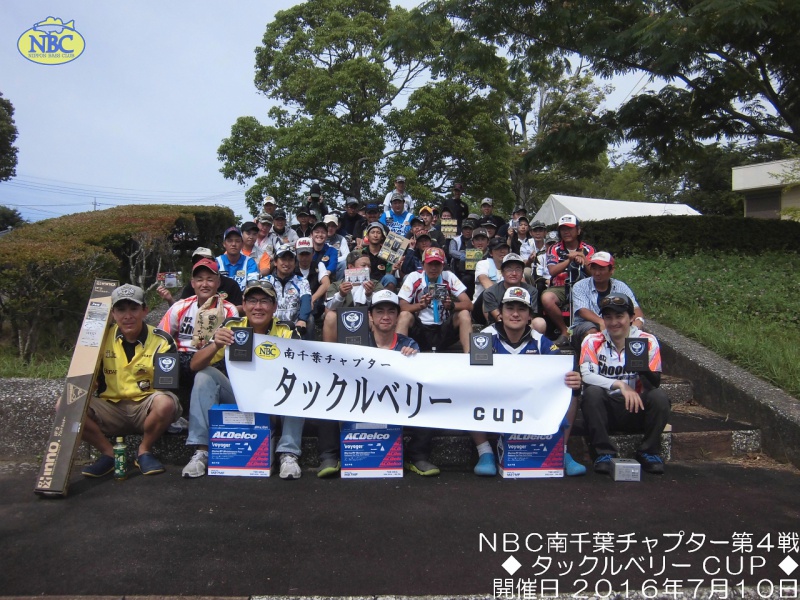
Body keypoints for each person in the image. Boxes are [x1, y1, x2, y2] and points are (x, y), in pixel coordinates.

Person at [182, 280, 305, 479]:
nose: (258, 307)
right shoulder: (231, 326)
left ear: (274, 306)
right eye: (252, 301)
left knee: (298, 384)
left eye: (264, 301)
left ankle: (288, 453)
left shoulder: (287, 330)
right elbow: (194, 365)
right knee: (204, 376)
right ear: (244, 304)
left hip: (274, 400)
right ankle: (202, 450)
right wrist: (216, 345)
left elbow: (304, 369)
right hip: (239, 396)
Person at [316, 290, 440, 478]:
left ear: (398, 316)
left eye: (391, 312)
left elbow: (417, 382)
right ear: (370, 316)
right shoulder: (355, 341)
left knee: (429, 399)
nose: (385, 316)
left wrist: (412, 359)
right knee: (324, 392)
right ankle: (329, 455)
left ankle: (416, 456)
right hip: (360, 402)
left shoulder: (409, 344)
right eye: (379, 311)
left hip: (394, 405)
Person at [470, 286, 585, 477]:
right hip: (496, 403)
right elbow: (470, 373)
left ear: (530, 315)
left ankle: (560, 452)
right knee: (468, 388)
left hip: (530, 402)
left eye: (522, 309)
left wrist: (573, 379)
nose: (515, 314)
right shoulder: (485, 338)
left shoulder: (541, 341)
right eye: (510, 308)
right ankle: (485, 453)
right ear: (501, 312)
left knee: (571, 390)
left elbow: (561, 368)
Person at [80, 284, 181, 478]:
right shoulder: (98, 339)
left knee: (166, 402)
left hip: (145, 407)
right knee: (66, 405)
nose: (128, 316)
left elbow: (166, 385)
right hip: (109, 407)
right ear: (112, 313)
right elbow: (84, 376)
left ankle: (144, 451)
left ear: (145, 310)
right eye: (121, 309)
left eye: (134, 309)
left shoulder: (162, 339)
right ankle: (110, 453)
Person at [579, 293, 670, 475]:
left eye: (619, 316)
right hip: (606, 409)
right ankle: (603, 453)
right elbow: (587, 375)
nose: (614, 323)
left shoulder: (647, 341)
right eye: (608, 317)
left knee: (660, 397)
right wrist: (620, 384)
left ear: (631, 318)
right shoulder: (592, 340)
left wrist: (642, 368)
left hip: (637, 407)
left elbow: (655, 383)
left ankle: (649, 451)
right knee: (592, 393)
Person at [157, 258, 238, 390]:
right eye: (200, 279)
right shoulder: (179, 307)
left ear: (218, 283)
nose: (204, 284)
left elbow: (228, 347)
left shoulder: (229, 310)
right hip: (182, 358)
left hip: (212, 359)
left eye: (210, 280)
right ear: (193, 283)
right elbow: (160, 338)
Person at [397, 246, 473, 353]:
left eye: (437, 264)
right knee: (404, 315)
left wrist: (451, 305)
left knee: (464, 314)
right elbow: (402, 306)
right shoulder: (414, 277)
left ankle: (469, 356)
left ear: (443, 265)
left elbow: (469, 304)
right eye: (430, 264)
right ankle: (397, 356)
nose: (433, 268)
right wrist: (420, 305)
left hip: (443, 328)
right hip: (421, 328)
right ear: (423, 264)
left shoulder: (449, 276)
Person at [570, 251, 645, 350]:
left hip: (614, 323)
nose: (597, 273)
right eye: (594, 268)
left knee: (634, 332)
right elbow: (582, 311)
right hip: (585, 325)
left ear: (611, 270)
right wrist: (602, 322)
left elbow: (635, 308)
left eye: (601, 269)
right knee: (592, 332)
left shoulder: (621, 286)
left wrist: (638, 321)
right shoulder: (580, 286)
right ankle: (590, 362)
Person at [541, 214, 595, 345]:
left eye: (570, 228)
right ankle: (564, 331)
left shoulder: (588, 249)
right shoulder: (554, 248)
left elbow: (595, 273)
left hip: (584, 286)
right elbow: (552, 271)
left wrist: (584, 259)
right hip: (560, 286)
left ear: (578, 230)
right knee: (547, 298)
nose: (566, 232)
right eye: (563, 229)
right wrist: (569, 259)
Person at [322, 251, 380, 343]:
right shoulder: (336, 285)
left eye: (369, 266)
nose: (367, 269)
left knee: (376, 318)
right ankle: (330, 352)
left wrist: (369, 295)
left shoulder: (375, 284)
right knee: (330, 316)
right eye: (363, 265)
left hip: (367, 319)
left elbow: (382, 306)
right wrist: (341, 295)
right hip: (342, 320)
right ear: (351, 267)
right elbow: (329, 307)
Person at [481, 253, 546, 333]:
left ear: (522, 272)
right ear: (502, 272)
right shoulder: (490, 292)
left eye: (518, 269)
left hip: (524, 326)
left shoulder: (531, 291)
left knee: (539, 323)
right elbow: (498, 317)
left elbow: (530, 316)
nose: (514, 273)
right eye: (509, 269)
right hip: (499, 327)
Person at [159, 247, 243, 310]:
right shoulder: (192, 286)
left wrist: (220, 311)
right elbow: (179, 309)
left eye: (206, 260)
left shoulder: (231, 284)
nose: (204, 285)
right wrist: (169, 299)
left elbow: (241, 309)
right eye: (198, 261)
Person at [266, 243, 313, 339]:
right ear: (275, 262)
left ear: (295, 263)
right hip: (270, 324)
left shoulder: (302, 281)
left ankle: (307, 350)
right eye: (283, 259)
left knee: (310, 319)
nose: (287, 263)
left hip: (294, 325)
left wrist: (302, 319)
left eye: (290, 260)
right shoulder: (265, 281)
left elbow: (306, 301)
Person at [295, 237, 331, 325]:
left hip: (314, 304)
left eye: (307, 254)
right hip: (294, 303)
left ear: (313, 253)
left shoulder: (319, 265)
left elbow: (326, 284)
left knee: (310, 319)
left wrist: (311, 299)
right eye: (301, 254)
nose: (304, 257)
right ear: (296, 254)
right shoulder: (291, 266)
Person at [216, 227, 259, 292]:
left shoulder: (249, 262)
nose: (233, 244)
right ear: (224, 244)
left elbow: (252, 286)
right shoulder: (217, 262)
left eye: (237, 241)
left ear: (242, 244)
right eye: (230, 241)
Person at [362, 222, 399, 291]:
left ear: (382, 236)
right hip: (364, 283)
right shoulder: (361, 252)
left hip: (382, 283)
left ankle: (385, 300)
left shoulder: (388, 254)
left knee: (390, 278)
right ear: (367, 236)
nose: (375, 235)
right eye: (372, 232)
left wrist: (393, 270)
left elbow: (389, 275)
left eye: (378, 233)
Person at [324, 214, 349, 279]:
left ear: (337, 227)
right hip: (321, 263)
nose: (330, 228)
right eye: (328, 225)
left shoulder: (341, 238)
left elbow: (347, 255)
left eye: (333, 226)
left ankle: (338, 284)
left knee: (344, 264)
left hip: (336, 264)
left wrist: (333, 261)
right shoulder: (318, 238)